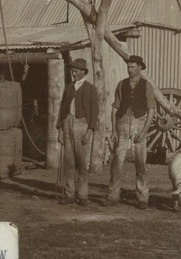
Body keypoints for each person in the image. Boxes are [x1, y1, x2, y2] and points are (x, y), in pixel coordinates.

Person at [104, 55, 156, 209]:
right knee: (117, 162)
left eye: (132, 67)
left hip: (139, 124)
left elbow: (151, 110)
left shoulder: (147, 86)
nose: (129, 69)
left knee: (140, 163)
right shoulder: (121, 84)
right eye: (128, 66)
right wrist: (113, 130)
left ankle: (142, 198)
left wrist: (145, 130)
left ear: (139, 68)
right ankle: (112, 195)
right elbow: (114, 109)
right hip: (122, 123)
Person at [56, 58, 99, 206]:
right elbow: (62, 108)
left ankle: (82, 195)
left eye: (75, 71)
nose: (73, 73)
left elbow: (95, 111)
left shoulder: (90, 88)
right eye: (72, 70)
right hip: (67, 123)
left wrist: (90, 130)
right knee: (68, 161)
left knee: (82, 162)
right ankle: (69, 194)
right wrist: (60, 129)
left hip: (82, 124)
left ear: (83, 72)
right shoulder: (68, 88)